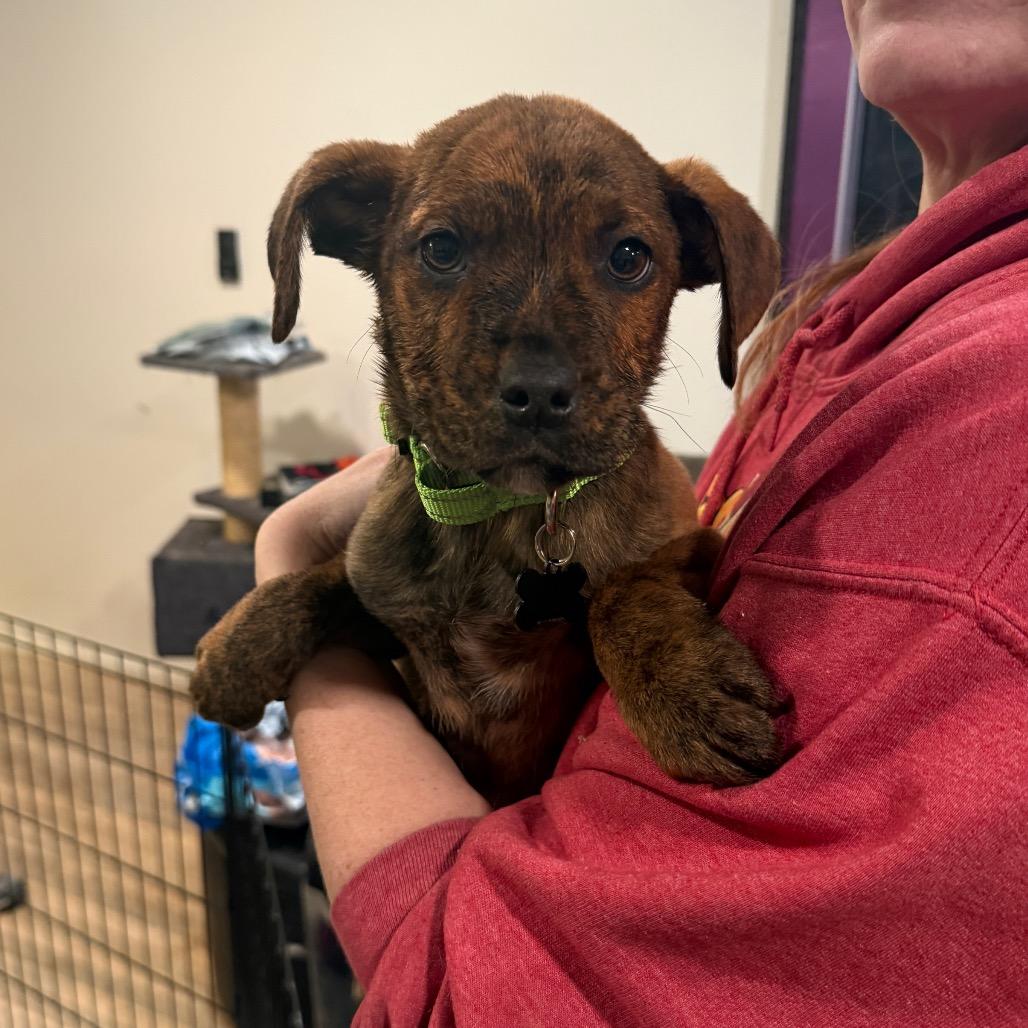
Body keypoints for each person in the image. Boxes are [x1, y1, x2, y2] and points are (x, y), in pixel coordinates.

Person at [257, 2, 1028, 1023]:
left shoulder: (992, 403)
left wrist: (284, 557)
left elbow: (469, 991)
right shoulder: (858, 322)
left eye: (624, 259)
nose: (536, 365)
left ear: (692, 267)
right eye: (444, 248)